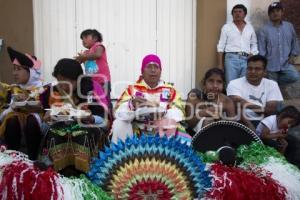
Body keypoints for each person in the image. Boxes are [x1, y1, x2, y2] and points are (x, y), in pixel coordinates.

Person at [41, 58, 110, 172]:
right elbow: (43, 130)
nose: (63, 86)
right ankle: (58, 173)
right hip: (59, 128)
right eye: (60, 81)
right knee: (55, 133)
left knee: (82, 134)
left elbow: (106, 123)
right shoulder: (52, 92)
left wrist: (91, 118)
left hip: (88, 129)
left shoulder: (91, 90)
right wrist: (47, 120)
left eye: (67, 81)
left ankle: (86, 172)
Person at [111, 54, 191, 144]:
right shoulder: (132, 89)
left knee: (175, 127)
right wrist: (131, 105)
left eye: (156, 67)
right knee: (119, 124)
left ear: (160, 71)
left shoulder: (170, 90)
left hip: (163, 128)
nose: (153, 70)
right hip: (137, 130)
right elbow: (118, 113)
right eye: (149, 67)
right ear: (142, 71)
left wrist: (162, 112)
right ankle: (123, 155)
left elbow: (179, 113)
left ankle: (171, 156)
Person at [0, 47, 44, 160]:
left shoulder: (44, 89)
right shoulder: (12, 89)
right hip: (16, 120)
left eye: (18, 69)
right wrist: (12, 107)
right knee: (11, 120)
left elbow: (51, 110)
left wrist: (37, 104)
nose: (14, 73)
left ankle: (33, 160)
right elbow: (3, 114)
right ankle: (12, 159)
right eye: (13, 69)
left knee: (32, 120)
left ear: (31, 72)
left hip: (36, 122)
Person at [227, 55, 283, 127]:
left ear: (265, 72)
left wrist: (245, 105)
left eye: (257, 69)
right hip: (242, 122)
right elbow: (237, 102)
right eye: (250, 68)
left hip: (265, 122)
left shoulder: (272, 84)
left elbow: (270, 110)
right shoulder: (234, 83)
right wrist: (262, 110)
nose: (253, 72)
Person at [185, 68, 240, 136]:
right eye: (211, 81)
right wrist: (203, 113)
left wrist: (218, 120)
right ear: (204, 83)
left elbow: (233, 127)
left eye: (219, 82)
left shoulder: (226, 101)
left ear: (223, 85)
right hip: (194, 135)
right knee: (208, 120)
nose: (215, 85)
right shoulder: (194, 96)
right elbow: (189, 124)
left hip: (219, 135)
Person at [258, 2, 300, 85]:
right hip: (270, 65)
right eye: (272, 12)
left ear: (282, 12)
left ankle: (275, 83)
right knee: (272, 89)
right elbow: (261, 49)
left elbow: (294, 42)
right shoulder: (264, 29)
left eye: (278, 10)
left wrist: (293, 56)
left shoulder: (289, 26)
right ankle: (273, 84)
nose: (275, 13)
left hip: (286, 64)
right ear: (269, 14)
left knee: (295, 76)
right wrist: (263, 66)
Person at [217, 4, 259, 84]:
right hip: (231, 58)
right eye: (235, 12)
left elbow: (254, 43)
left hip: (246, 59)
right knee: (231, 84)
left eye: (240, 12)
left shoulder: (250, 27)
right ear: (232, 14)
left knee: (245, 84)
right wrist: (220, 64)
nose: (237, 14)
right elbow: (221, 46)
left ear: (245, 14)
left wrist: (253, 54)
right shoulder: (226, 27)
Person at [75, 29, 112, 109]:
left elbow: (98, 55)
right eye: (82, 39)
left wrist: (84, 57)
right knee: (95, 101)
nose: (83, 40)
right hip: (92, 83)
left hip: (102, 81)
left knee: (105, 99)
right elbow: (77, 62)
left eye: (85, 37)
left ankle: (109, 117)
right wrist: (77, 59)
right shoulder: (85, 53)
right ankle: (98, 116)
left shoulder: (98, 46)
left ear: (95, 38)